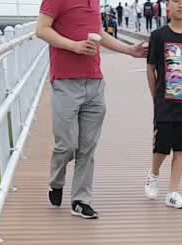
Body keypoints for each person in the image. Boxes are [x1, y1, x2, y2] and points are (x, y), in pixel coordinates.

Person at [37, 0, 148, 220]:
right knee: (66, 145)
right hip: (66, 82)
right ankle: (56, 181)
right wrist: (73, 46)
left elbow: (97, 32)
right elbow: (41, 29)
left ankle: (80, 201)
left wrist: (129, 50)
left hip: (95, 82)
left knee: (87, 147)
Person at [144, 0, 182, 209]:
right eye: (176, 1)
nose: (181, 5)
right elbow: (150, 69)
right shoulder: (158, 36)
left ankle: (173, 192)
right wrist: (155, 98)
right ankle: (153, 174)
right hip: (164, 101)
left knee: (181, 147)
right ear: (167, 7)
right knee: (162, 146)